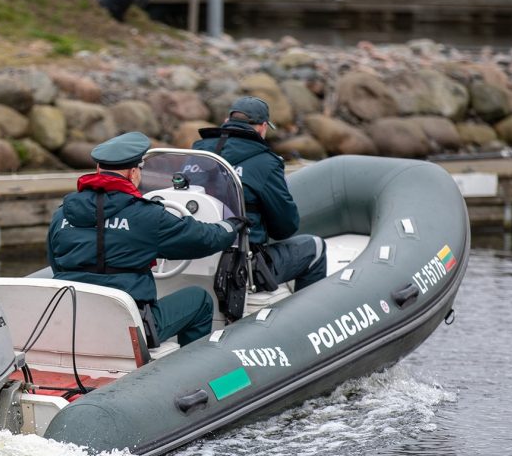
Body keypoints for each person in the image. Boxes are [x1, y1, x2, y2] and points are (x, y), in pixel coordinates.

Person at [47, 132, 244, 346]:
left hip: (75, 319)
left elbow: (56, 262)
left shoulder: (62, 213)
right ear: (133, 173)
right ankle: (190, 369)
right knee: (200, 299)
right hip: (130, 326)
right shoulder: (147, 216)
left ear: (97, 169)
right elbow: (203, 239)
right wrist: (230, 226)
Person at [192, 96, 327, 292]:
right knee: (316, 247)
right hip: (241, 269)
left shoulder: (197, 152)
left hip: (194, 258)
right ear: (263, 127)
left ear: (227, 122)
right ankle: (309, 319)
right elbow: (285, 228)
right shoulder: (266, 163)